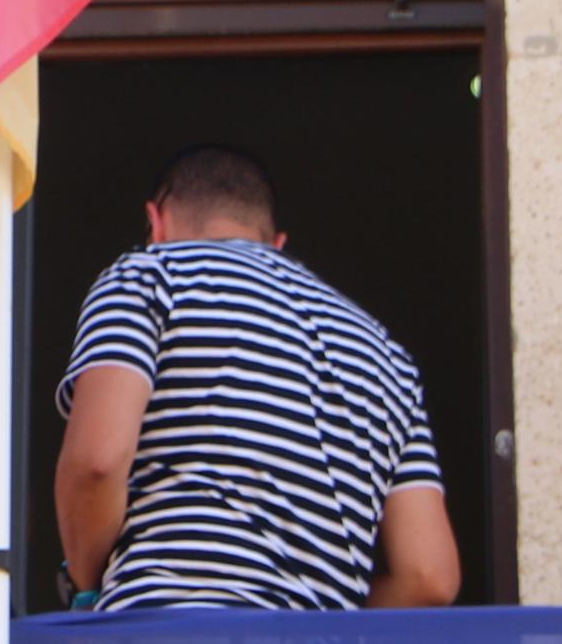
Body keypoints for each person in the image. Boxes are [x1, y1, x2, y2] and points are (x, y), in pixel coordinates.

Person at [52, 143, 457, 612]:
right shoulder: (387, 354)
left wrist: (84, 587)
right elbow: (430, 578)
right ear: (278, 245)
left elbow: (96, 462)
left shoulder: (146, 276)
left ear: (155, 222)